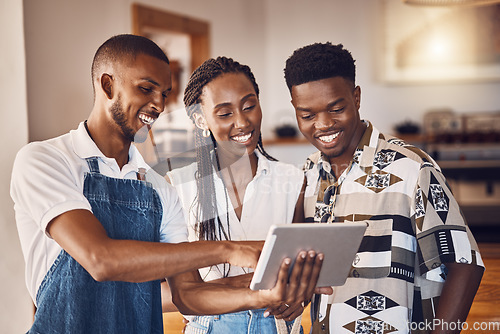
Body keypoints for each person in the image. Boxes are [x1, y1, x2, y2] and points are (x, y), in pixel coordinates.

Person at [10, 34, 323, 334]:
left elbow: (187, 293)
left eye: (164, 93)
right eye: (146, 89)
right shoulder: (45, 160)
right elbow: (100, 260)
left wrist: (262, 295)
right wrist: (228, 250)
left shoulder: (159, 188)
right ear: (107, 85)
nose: (158, 105)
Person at [283, 42, 484, 334]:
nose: (323, 124)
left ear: (357, 97)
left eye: (336, 109)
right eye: (307, 115)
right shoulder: (308, 173)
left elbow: (465, 264)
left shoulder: (413, 167)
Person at [164, 56, 322, 334]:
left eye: (249, 106)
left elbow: (301, 269)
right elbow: (177, 293)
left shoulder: (293, 180)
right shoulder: (177, 186)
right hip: (210, 326)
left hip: (277, 324)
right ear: (201, 119)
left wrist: (300, 297)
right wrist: (258, 284)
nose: (242, 121)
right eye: (225, 113)